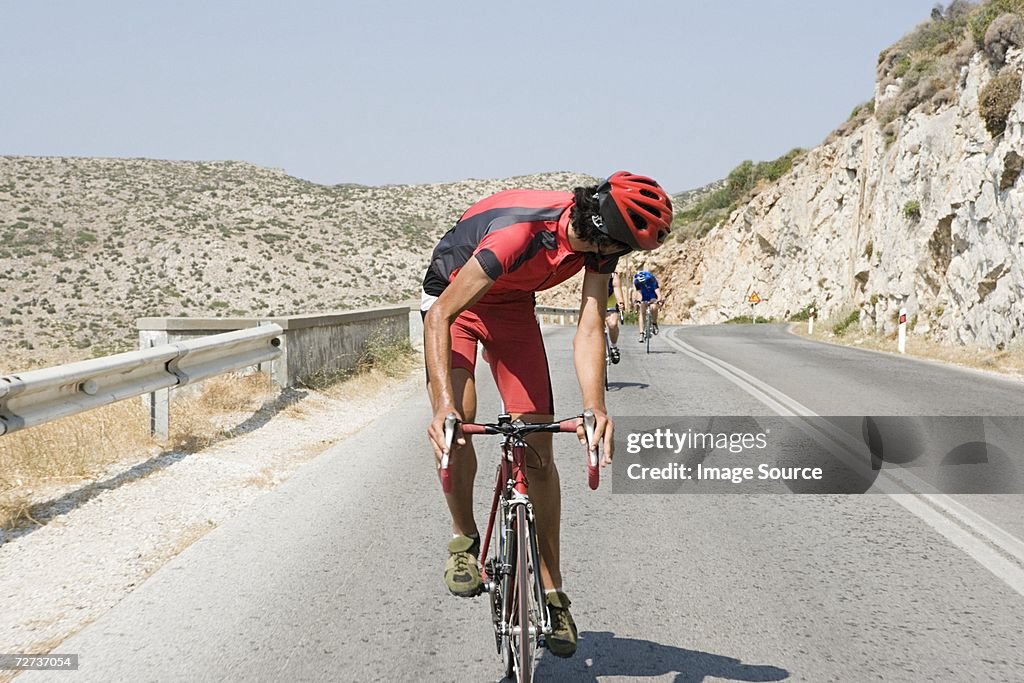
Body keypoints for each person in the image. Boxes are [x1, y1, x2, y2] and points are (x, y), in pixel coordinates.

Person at [422, 171, 672, 658]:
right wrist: (443, 407)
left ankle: (554, 595)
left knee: (539, 448)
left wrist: (595, 406)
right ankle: (463, 540)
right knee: (458, 425)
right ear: (602, 231)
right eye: (622, 247)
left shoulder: (601, 246)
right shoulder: (520, 236)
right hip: (454, 299)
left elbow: (589, 326)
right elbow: (441, 316)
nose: (618, 257)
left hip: (512, 307)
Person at [633, 270, 664, 342]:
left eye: (644, 282)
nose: (643, 283)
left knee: (653, 307)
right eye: (641, 282)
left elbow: (658, 293)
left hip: (652, 295)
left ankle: (654, 323)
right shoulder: (637, 281)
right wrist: (638, 301)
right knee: (642, 310)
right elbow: (639, 292)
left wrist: (658, 301)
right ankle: (641, 333)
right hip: (644, 296)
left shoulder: (652, 279)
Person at [605, 272, 624, 363]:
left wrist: (620, 303)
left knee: (612, 324)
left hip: (610, 302)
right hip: (596, 302)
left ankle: (613, 346)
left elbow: (617, 289)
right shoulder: (591, 270)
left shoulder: (613, 275)